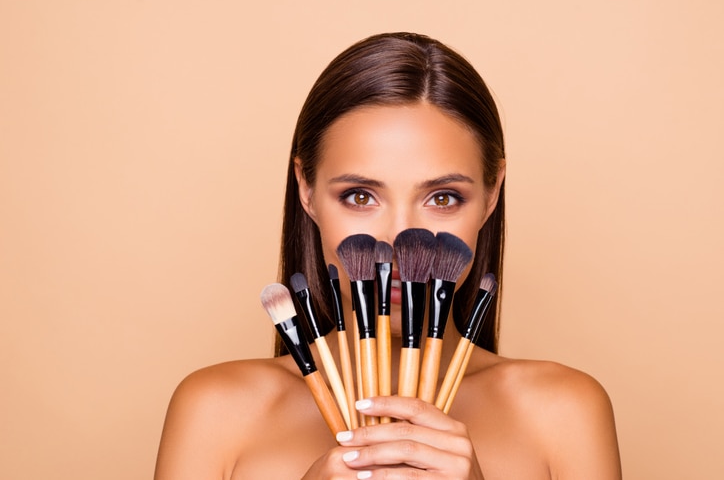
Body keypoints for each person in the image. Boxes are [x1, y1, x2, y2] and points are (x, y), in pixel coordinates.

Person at [154, 32, 622, 479]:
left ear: (492, 193)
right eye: (360, 196)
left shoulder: (564, 413)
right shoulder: (215, 410)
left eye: (442, 197)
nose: (398, 240)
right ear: (307, 189)